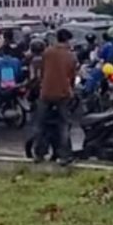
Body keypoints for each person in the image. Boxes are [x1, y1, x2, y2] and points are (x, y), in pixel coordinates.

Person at [33, 28, 77, 165]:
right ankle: (64, 156)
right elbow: (71, 77)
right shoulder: (71, 56)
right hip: (63, 93)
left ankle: (39, 154)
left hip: (46, 92)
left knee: (41, 124)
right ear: (68, 40)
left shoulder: (47, 52)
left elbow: (42, 71)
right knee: (64, 125)